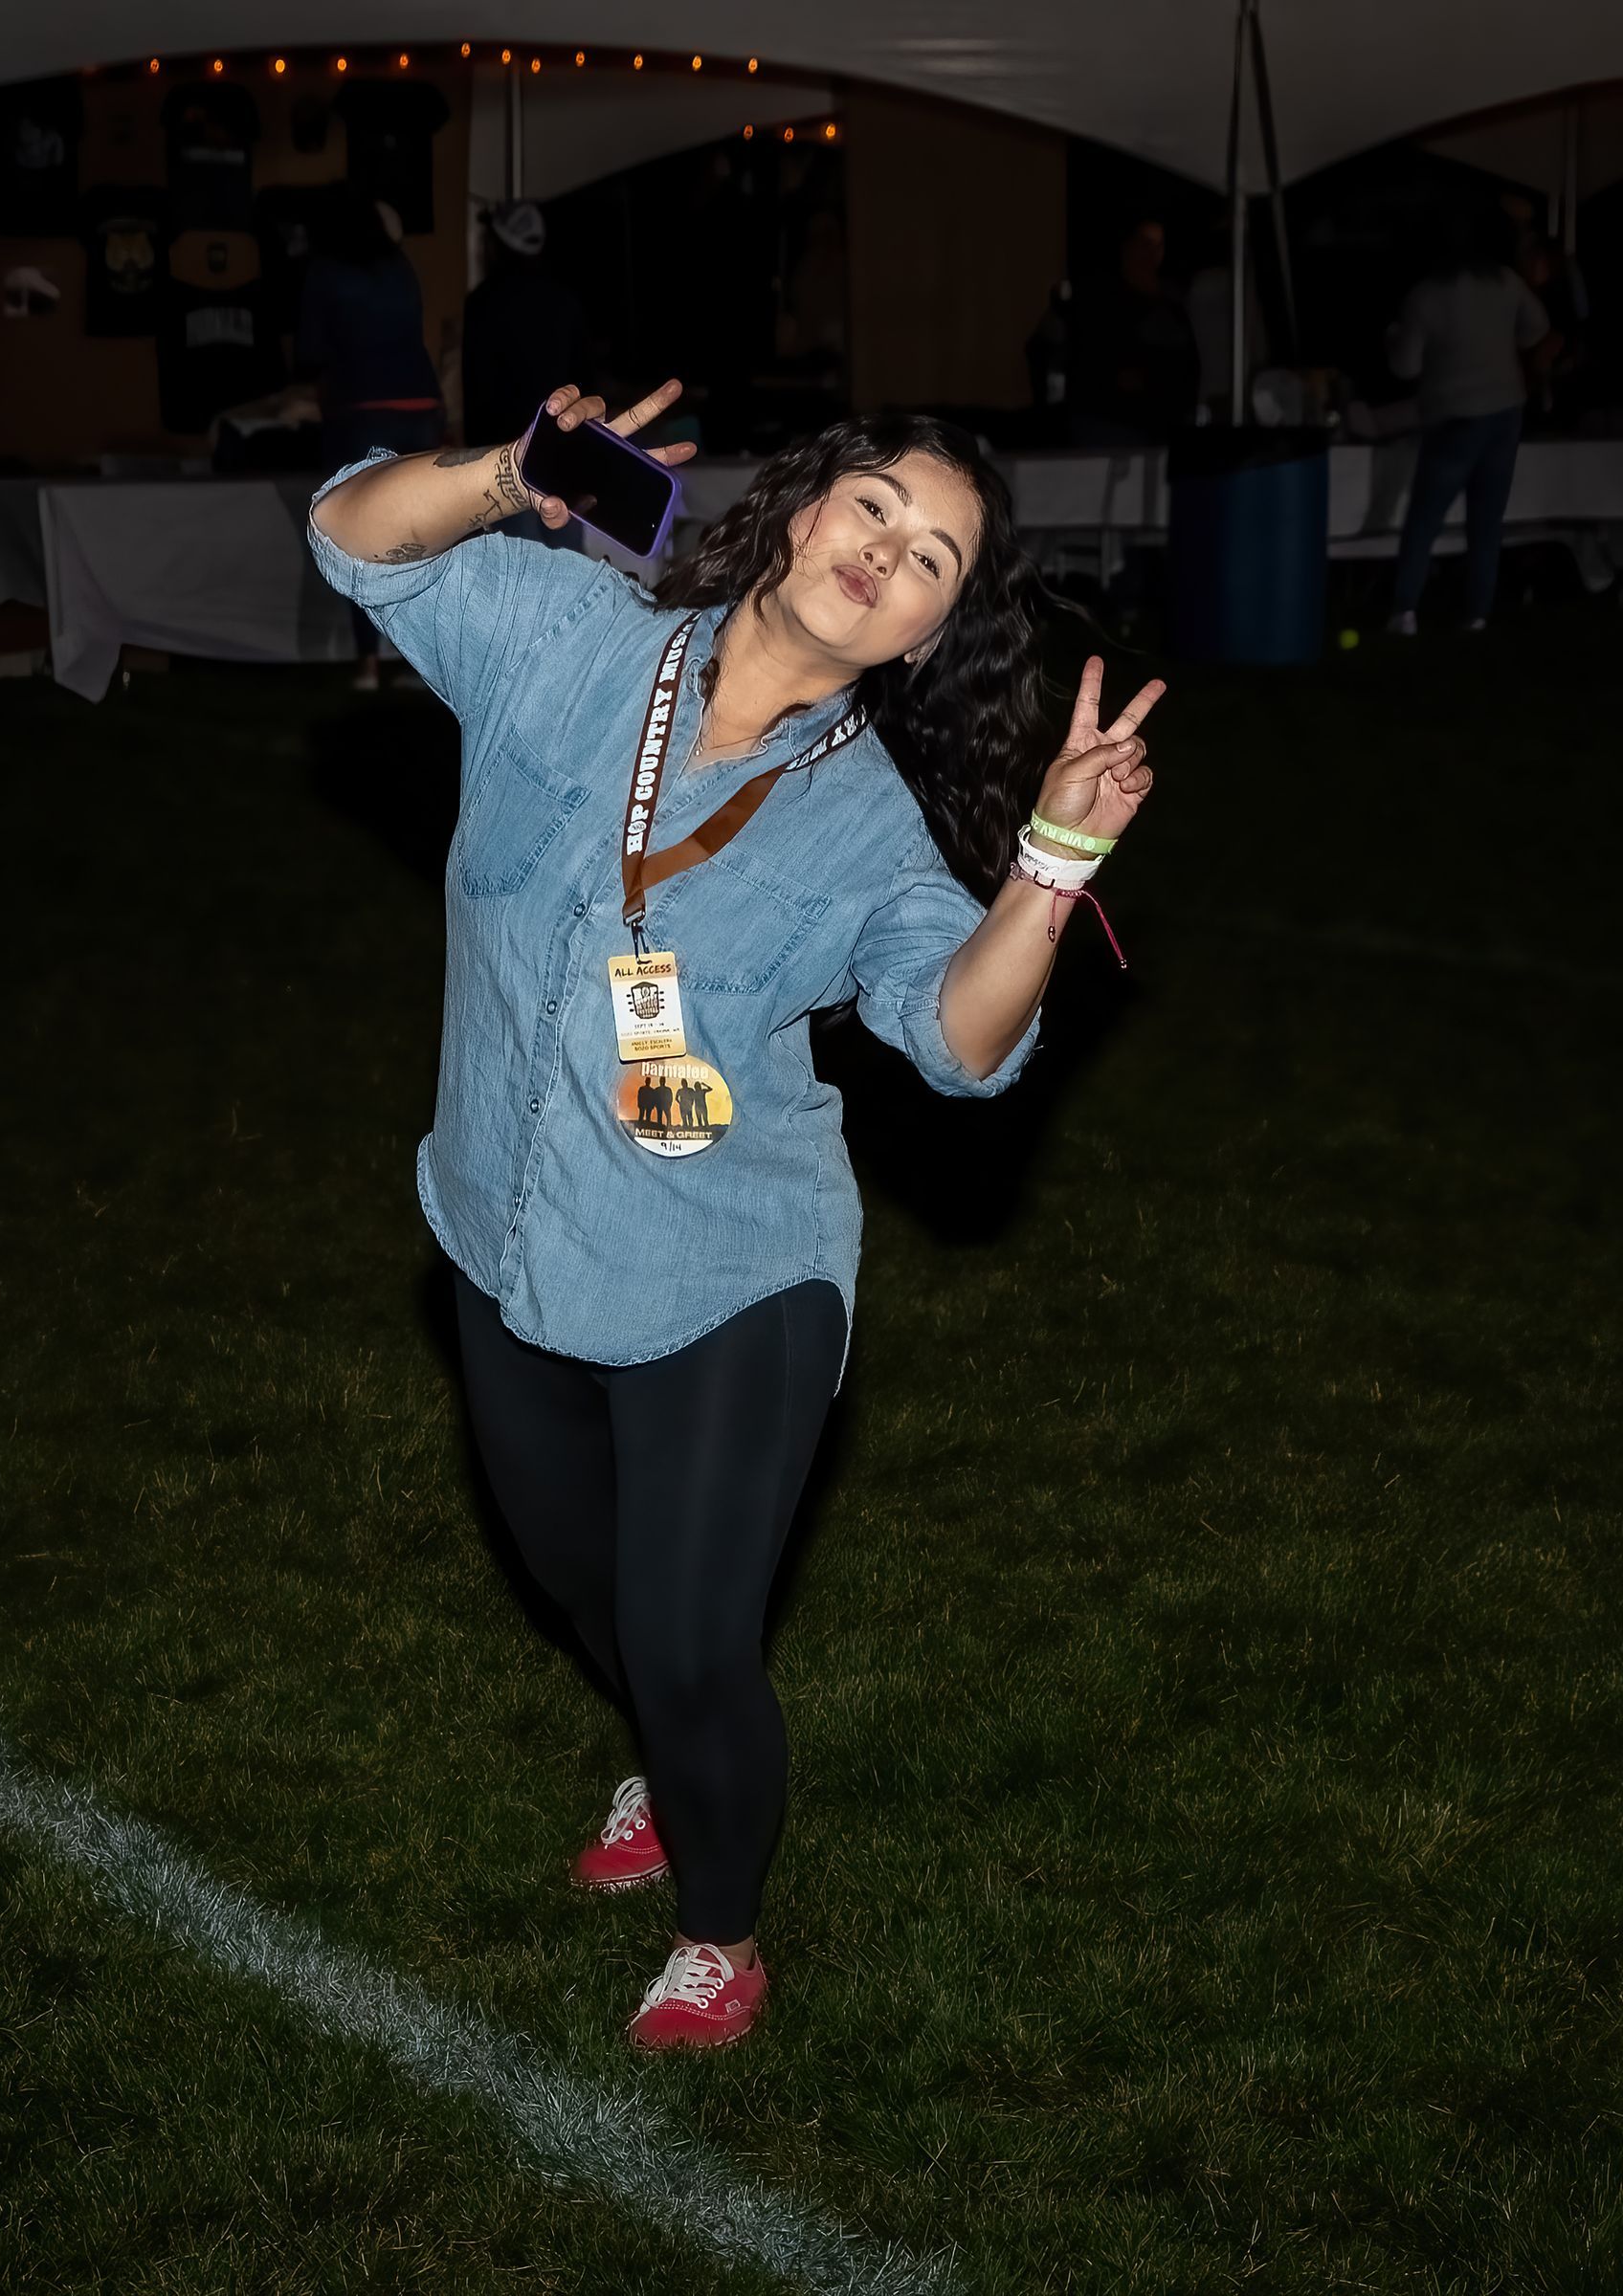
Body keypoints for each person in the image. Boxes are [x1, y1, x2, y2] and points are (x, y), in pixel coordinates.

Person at [305, 377, 1162, 2049]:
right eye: (875, 510)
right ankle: (664, 1744)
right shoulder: (570, 639)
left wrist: (1049, 865)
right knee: (583, 1588)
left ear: (922, 637)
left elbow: (966, 1046)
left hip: (728, 1268)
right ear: (800, 503)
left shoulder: (868, 835)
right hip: (507, 1222)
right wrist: (511, 474)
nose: (886, 556)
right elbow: (353, 537)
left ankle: (720, 1927)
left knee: (691, 1639)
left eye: (931, 560)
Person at [1385, 205, 1560, 634]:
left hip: (1453, 414)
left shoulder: (1425, 296)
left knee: (1425, 517)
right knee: (1487, 520)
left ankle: (1405, 610)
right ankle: (1478, 613)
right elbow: (1538, 328)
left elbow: (1406, 367)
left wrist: (1391, 339)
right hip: (1505, 411)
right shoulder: (1504, 281)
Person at [296, 186, 446, 687]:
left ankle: (368, 663)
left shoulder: (324, 273)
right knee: (423, 536)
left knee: (357, 536)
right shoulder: (400, 268)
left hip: (360, 408)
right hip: (420, 404)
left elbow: (309, 350)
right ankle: (425, 661)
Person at [461, 202, 589, 552]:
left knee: (522, 565)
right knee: (570, 563)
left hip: (508, 454)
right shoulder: (565, 301)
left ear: (497, 245)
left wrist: (476, 463)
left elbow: (477, 390)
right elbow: (584, 380)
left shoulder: (483, 303)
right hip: (563, 449)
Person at [1066, 217, 1200, 446]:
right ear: (1126, 247)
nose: (1153, 253)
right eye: (1145, 243)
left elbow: (1187, 362)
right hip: (1112, 427)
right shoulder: (1102, 301)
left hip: (1164, 427)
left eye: (1159, 245)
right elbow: (1096, 365)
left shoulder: (1173, 303)